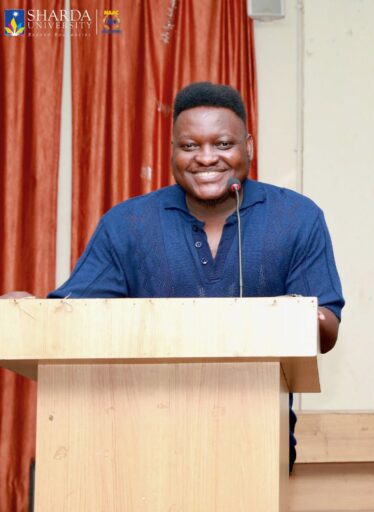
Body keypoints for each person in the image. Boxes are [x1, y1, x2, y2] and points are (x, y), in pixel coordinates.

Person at [3, 82, 345, 471]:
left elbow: (327, 330)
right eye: (189, 146)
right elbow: (72, 316)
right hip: (138, 447)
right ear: (172, 151)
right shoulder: (127, 223)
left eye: (223, 144)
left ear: (248, 146)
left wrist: (298, 317)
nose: (206, 157)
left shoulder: (296, 217)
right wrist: (27, 314)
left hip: (258, 445)